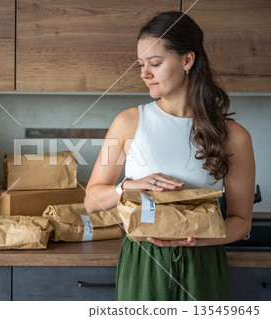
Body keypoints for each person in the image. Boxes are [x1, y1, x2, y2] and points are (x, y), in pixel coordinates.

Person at [84, 11, 255, 301]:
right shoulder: (127, 123)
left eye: (155, 63)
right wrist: (128, 185)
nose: (144, 73)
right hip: (143, 261)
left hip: (202, 263)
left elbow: (241, 221)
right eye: (141, 65)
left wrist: (198, 239)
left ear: (187, 60)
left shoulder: (234, 136)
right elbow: (92, 200)